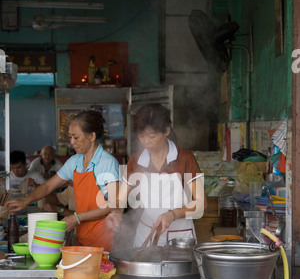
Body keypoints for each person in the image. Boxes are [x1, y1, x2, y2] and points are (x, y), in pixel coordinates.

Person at [7, 110, 120, 251]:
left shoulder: (107, 163)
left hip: (104, 238)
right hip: (81, 236)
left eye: (76, 137)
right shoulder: (75, 161)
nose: (72, 142)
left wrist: (76, 218)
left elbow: (113, 204)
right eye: (70, 137)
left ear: (91, 136)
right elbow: (48, 187)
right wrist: (26, 200)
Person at [106, 103, 206, 247]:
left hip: (180, 237)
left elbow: (201, 204)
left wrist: (172, 214)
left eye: (152, 136)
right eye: (141, 136)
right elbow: (121, 199)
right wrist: (116, 212)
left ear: (166, 131)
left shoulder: (184, 158)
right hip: (146, 234)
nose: (146, 141)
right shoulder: (136, 160)